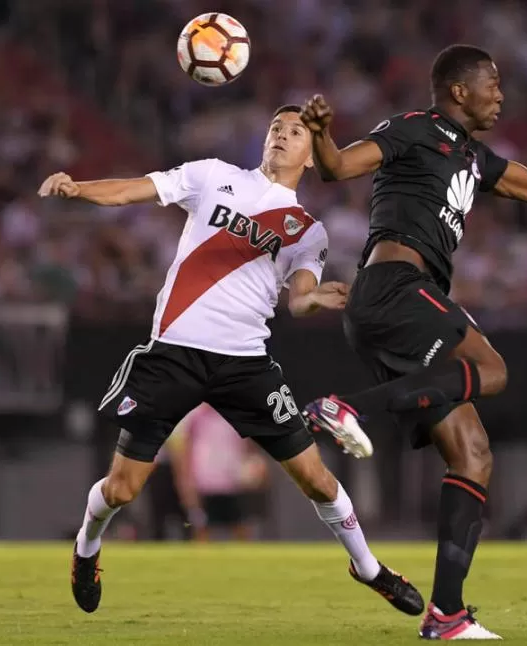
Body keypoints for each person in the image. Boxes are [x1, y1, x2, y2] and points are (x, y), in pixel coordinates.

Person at [38, 105, 423, 618]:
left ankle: (369, 568)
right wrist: (78, 187)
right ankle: (87, 548)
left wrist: (318, 300)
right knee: (123, 488)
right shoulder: (213, 176)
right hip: (174, 352)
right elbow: (134, 189)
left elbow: (299, 298)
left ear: (312, 157)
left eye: (295, 132)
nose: (282, 137)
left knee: (317, 478)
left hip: (244, 361)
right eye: (276, 129)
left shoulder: (307, 230)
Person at [298, 45, 527, 640]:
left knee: (472, 451)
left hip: (403, 299)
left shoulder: (473, 156)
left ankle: (446, 613)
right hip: (394, 285)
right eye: (492, 84)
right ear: (458, 91)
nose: (501, 95)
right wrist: (323, 134)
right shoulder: (415, 129)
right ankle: (349, 408)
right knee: (492, 368)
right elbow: (339, 168)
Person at [173, 403, 270, 542]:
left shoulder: (236, 415)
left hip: (233, 483)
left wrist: (255, 466)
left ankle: (244, 562)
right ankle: (201, 563)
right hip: (204, 485)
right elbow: (184, 451)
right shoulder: (194, 416)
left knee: (241, 528)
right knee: (201, 530)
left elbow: (248, 447)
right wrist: (185, 484)